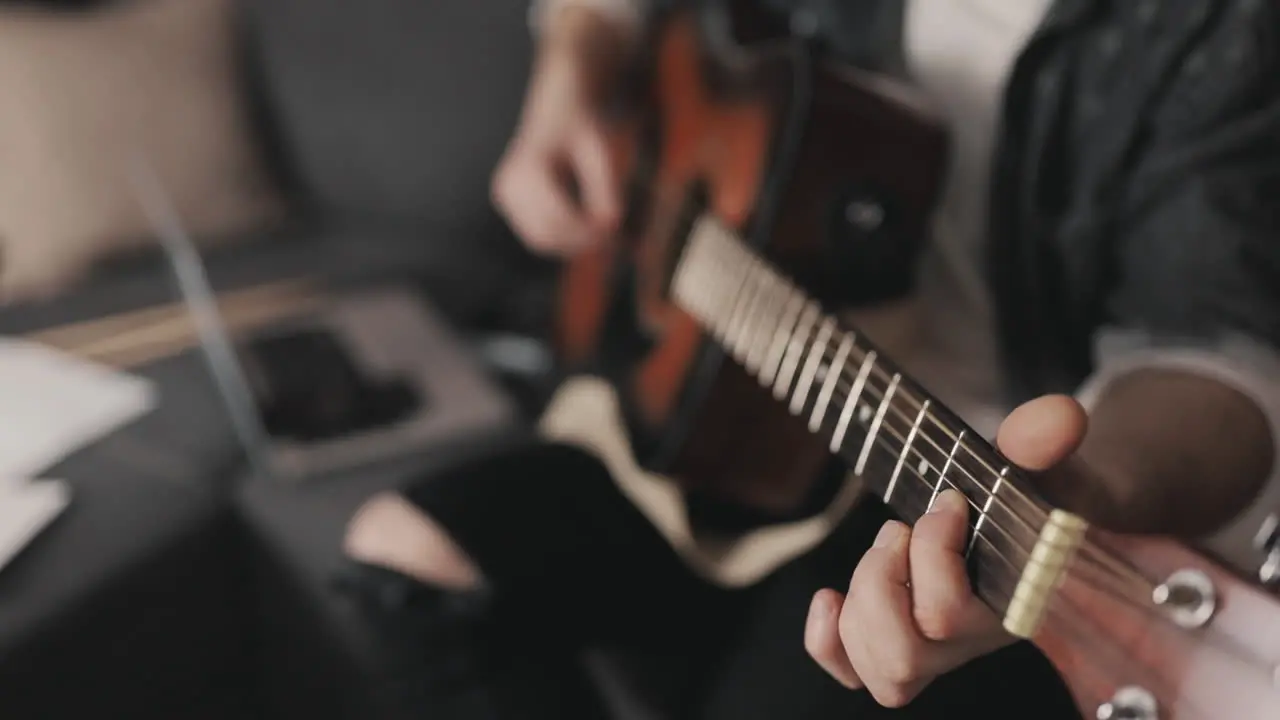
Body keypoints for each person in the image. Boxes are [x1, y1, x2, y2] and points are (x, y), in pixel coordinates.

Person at [337, 0, 1280, 718]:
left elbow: (1212, 351)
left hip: (937, 472)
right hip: (718, 408)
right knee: (404, 557)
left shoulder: (1224, 26)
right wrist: (572, 70)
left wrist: (1086, 488)